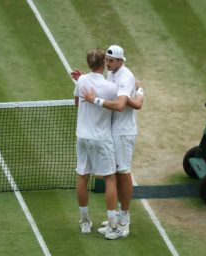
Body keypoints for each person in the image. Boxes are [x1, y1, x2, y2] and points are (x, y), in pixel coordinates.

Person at [71, 45, 144, 238]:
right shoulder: (110, 78)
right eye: (107, 60)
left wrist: (140, 89)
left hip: (122, 133)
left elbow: (128, 105)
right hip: (108, 132)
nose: (109, 63)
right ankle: (117, 216)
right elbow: (108, 92)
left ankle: (124, 221)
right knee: (114, 176)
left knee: (123, 173)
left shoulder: (125, 78)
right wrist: (83, 81)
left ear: (121, 61)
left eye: (112, 61)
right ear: (103, 62)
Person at [74, 48, 119, 239]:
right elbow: (118, 108)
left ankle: (85, 222)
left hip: (82, 137)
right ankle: (112, 226)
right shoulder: (110, 88)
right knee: (110, 178)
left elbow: (77, 103)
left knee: (82, 176)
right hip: (101, 138)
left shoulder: (81, 80)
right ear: (103, 63)